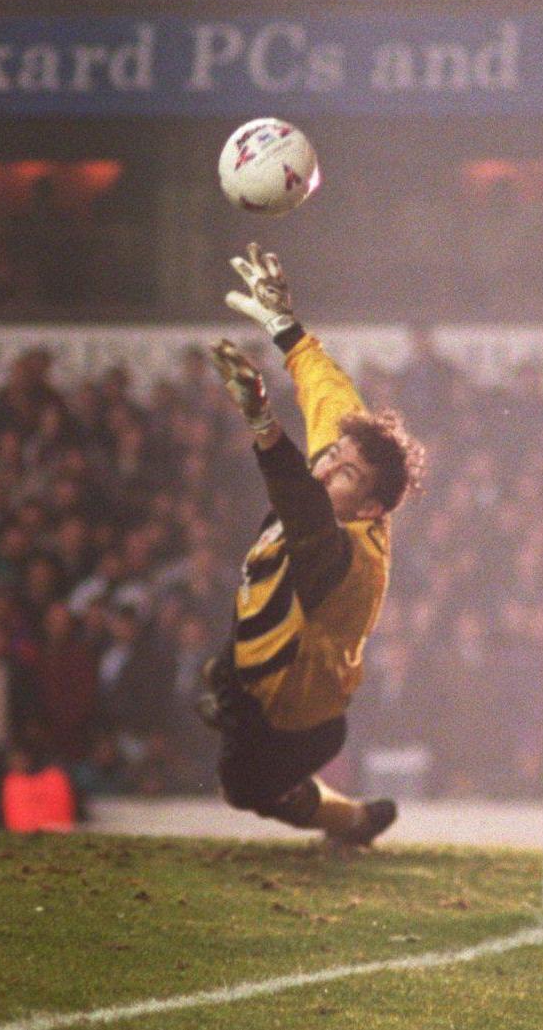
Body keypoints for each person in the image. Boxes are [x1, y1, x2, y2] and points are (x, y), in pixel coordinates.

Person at [200, 243, 424, 847]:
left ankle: (354, 821)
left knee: (243, 790)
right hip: (260, 647)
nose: (325, 469)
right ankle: (222, 684)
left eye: (344, 474)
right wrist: (283, 325)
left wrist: (265, 428)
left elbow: (301, 513)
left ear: (372, 508)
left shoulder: (353, 559)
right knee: (214, 685)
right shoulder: (345, 458)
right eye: (329, 458)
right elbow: (325, 388)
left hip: (294, 718)